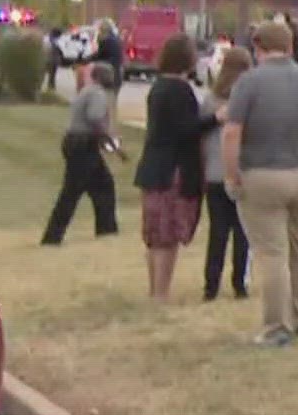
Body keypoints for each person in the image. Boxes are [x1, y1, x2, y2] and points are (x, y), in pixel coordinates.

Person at [221, 21, 298, 346]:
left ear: (258, 47)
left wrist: (232, 175)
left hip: (263, 172)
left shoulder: (249, 82)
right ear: (290, 46)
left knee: (271, 253)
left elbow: (232, 131)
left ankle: (277, 328)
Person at [132, 34, 213, 302]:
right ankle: (161, 293)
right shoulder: (180, 90)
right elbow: (186, 129)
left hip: (154, 167)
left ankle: (155, 289)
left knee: (155, 235)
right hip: (174, 170)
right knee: (167, 237)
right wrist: (214, 119)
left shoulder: (158, 87)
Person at [41, 61, 122, 245]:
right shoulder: (97, 94)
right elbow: (95, 119)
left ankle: (107, 230)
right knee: (71, 192)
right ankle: (52, 237)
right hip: (82, 146)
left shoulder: (87, 91)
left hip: (76, 143)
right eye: (109, 75)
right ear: (102, 77)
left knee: (104, 186)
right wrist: (111, 142)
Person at [200, 46, 252, 300]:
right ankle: (239, 283)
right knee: (243, 232)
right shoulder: (249, 100)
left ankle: (211, 285)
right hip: (242, 170)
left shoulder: (211, 100)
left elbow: (201, 135)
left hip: (213, 172)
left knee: (217, 233)